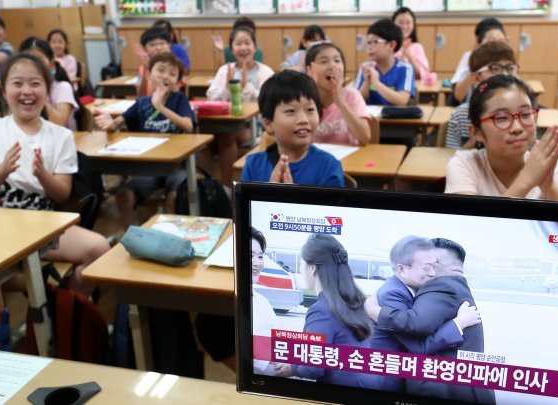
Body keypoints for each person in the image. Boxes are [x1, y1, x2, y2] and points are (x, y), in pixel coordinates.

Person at [0, 53, 110, 350]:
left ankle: (61, 312)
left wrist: (43, 175)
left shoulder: (60, 135)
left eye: (35, 83)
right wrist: (3, 169)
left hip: (41, 225)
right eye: (17, 83)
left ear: (47, 90)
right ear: (4, 89)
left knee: (99, 248)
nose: (26, 91)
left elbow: (60, 193)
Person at [366, 238, 495, 404]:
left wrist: (373, 310)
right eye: (427, 266)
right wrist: (458, 323)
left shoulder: (441, 286)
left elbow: (413, 325)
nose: (432, 272)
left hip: (446, 388)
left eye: (434, 264)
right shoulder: (457, 286)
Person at [94, 52, 196, 229]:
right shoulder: (142, 103)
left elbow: (188, 126)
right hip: (150, 168)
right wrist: (110, 122)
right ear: (148, 75)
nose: (165, 76)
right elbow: (117, 124)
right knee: (123, 197)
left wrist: (160, 107)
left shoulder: (179, 100)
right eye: (161, 71)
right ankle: (134, 238)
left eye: (172, 74)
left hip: (177, 167)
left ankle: (170, 241)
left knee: (174, 197)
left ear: (177, 83)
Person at [445, 75, 558, 202]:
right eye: (502, 118)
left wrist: (548, 186)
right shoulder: (464, 164)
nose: (517, 128)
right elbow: (471, 225)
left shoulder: (544, 163)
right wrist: (526, 180)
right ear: (476, 132)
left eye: (526, 114)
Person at [274, 234, 375, 388]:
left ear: (312, 268)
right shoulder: (356, 301)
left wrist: (294, 367)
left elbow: (312, 368)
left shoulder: (321, 311)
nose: (301, 270)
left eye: (301, 264)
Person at [240, 70, 344, 187]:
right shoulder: (253, 166)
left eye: (310, 110)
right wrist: (269, 195)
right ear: (269, 124)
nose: (303, 119)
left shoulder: (328, 166)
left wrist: (290, 197)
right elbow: (243, 205)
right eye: (290, 111)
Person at [195, 227, 278, 372]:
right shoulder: (227, 309)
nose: (256, 263)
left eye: (260, 256)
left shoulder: (263, 302)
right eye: (250, 256)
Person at [207, 26, 274, 187]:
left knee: (226, 135)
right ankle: (209, 189)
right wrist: (227, 86)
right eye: (238, 44)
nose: (243, 48)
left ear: (255, 47)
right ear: (231, 49)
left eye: (247, 43)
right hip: (225, 122)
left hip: (256, 125)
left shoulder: (264, 71)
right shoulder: (225, 70)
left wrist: (246, 86)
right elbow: (212, 97)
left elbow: (269, 101)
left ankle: (227, 187)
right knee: (205, 141)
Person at [446, 41, 518, 149]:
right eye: (495, 68)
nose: (505, 75)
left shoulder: (523, 114)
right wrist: (471, 144)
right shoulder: (461, 116)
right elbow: (451, 160)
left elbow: (529, 158)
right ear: (476, 78)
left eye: (510, 68)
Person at [305, 43, 371, 146]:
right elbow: (296, 142)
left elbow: (365, 138)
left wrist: (342, 103)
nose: (332, 66)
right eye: (324, 61)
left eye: (337, 60)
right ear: (309, 70)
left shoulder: (352, 95)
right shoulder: (302, 98)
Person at [19, 37, 79, 130]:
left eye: (39, 60)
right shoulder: (21, 90)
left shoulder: (62, 87)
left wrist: (38, 92)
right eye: (27, 61)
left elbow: (60, 125)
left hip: (62, 141)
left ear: (52, 64)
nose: (33, 66)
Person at [355, 18, 415, 106]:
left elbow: (402, 100)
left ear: (391, 45)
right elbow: (357, 101)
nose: (370, 47)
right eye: (369, 42)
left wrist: (376, 83)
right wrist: (366, 82)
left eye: (375, 42)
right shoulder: (366, 67)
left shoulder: (405, 68)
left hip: (395, 119)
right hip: (370, 118)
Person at [450, 18, 507, 106]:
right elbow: (458, 96)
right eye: (491, 40)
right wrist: (475, 66)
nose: (496, 45)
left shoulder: (508, 63)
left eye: (501, 41)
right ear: (479, 43)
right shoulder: (470, 58)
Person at [391, 7, 430, 81]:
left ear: (413, 25)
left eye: (408, 23)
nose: (404, 26)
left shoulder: (417, 47)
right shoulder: (388, 47)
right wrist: (401, 56)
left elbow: (420, 75)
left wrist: (409, 55)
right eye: (400, 23)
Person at [135, 27, 173, 97]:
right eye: (152, 45)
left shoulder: (174, 66)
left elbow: (173, 93)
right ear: (145, 49)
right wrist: (146, 69)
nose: (158, 48)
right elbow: (141, 95)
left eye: (162, 43)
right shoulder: (143, 68)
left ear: (169, 45)